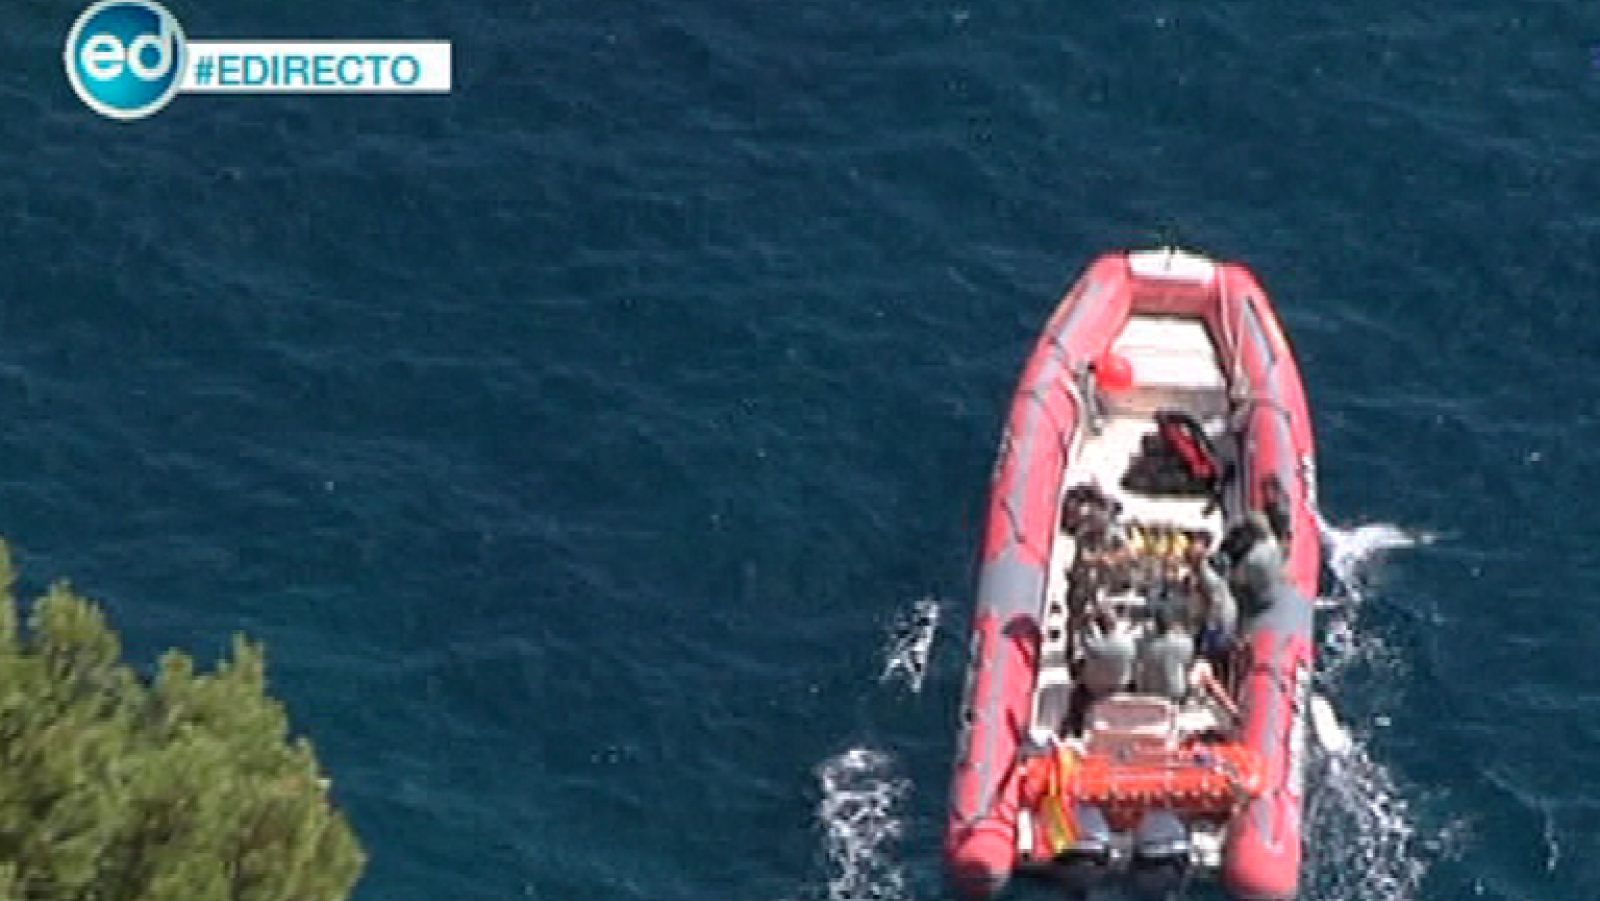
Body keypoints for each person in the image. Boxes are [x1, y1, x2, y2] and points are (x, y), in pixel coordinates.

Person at [1134, 606, 1193, 703]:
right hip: (1175, 694)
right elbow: (1188, 661)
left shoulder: (1147, 646)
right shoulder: (1185, 643)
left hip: (1154, 694)